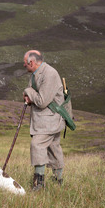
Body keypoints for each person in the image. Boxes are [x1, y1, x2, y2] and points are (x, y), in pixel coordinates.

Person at [22, 50, 65, 191]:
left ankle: (39, 184)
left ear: (32, 63)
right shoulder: (36, 74)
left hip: (50, 120)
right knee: (53, 148)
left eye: (25, 64)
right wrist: (30, 98)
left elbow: (41, 101)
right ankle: (58, 181)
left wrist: (28, 92)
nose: (24, 66)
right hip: (45, 119)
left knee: (37, 145)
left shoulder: (50, 74)